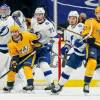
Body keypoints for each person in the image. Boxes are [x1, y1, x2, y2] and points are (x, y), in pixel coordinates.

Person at [51, 11, 86, 93]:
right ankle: (59, 86)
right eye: (70, 18)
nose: (72, 20)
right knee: (67, 69)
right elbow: (69, 42)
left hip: (87, 51)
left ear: (77, 19)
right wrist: (66, 48)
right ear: (68, 19)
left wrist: (82, 42)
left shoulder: (82, 26)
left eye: (74, 18)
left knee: (94, 68)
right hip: (77, 53)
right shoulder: (67, 30)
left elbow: (88, 37)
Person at [3, 24, 41, 92]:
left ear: (18, 31)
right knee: (12, 70)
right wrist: (14, 62)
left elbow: (36, 38)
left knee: (27, 68)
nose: (14, 33)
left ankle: (30, 85)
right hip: (19, 57)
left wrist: (37, 45)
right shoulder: (10, 43)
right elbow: (14, 55)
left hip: (30, 54)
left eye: (15, 32)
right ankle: (9, 85)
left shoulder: (26, 34)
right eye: (12, 32)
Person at [31, 7, 57, 90]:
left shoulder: (48, 25)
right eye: (37, 14)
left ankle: (51, 83)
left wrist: (49, 45)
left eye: (40, 14)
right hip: (34, 48)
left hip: (43, 48)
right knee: (28, 66)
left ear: (43, 15)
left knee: (44, 65)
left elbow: (55, 37)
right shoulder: (33, 22)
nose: (38, 16)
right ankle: (28, 83)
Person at [82, 6, 100, 93]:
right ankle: (86, 83)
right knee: (92, 62)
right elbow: (84, 34)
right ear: (95, 14)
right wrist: (88, 38)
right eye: (98, 13)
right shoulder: (90, 22)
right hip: (94, 46)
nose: (99, 15)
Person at [0, 4, 14, 75]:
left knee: (15, 70)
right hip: (1, 50)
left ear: (9, 11)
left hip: (12, 49)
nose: (3, 11)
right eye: (2, 10)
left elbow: (22, 30)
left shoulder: (13, 19)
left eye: (5, 10)